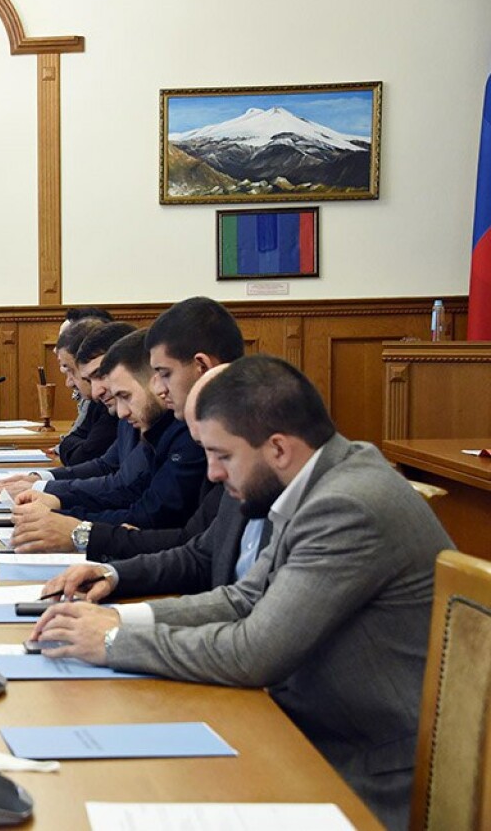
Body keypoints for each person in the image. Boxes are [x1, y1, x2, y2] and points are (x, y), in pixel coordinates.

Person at [30, 355, 453, 830]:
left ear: (278, 448)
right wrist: (121, 619)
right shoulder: (317, 480)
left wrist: (112, 643)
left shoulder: (347, 504)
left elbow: (255, 651)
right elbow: (243, 598)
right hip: (303, 728)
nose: (212, 473)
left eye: (223, 456)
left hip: (361, 767)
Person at [15, 297, 244, 557]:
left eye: (164, 373)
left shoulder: (188, 430)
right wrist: (59, 507)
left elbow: (172, 531)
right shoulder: (166, 424)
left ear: (202, 366)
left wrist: (78, 531)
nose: (159, 388)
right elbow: (129, 487)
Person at [11, 330, 207, 544]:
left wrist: (75, 528)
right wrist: (56, 503)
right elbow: (123, 485)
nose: (97, 392)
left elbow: (149, 515)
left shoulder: (182, 429)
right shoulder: (148, 420)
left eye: (100, 375)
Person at [0, 321, 133, 500]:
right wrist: (40, 480)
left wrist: (44, 490)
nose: (96, 392)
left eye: (100, 375)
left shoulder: (130, 414)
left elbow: (121, 488)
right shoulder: (124, 414)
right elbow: (104, 466)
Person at [52, 317, 116, 467]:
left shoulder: (112, 405)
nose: (68, 383)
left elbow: (83, 457)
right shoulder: (98, 402)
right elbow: (70, 442)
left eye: (70, 370)